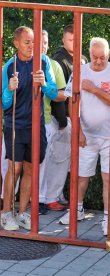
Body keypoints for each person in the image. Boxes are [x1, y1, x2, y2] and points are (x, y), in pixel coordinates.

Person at [58, 37, 110, 236]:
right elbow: (71, 103)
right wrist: (77, 131)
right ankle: (76, 210)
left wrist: (94, 89)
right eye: (94, 57)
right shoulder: (80, 71)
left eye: (102, 58)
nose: (97, 61)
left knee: (108, 177)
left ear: (109, 54)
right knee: (80, 176)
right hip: (86, 134)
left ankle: (107, 218)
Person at [1, 26, 58, 231]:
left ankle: (23, 212)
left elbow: (53, 92)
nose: (32, 46)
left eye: (34, 41)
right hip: (15, 124)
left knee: (30, 168)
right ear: (16, 43)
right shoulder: (9, 66)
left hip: (37, 124)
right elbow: (5, 104)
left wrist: (44, 83)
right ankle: (6, 212)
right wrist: (9, 89)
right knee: (14, 168)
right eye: (27, 42)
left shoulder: (43, 62)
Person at [51, 24, 88, 207]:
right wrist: (65, 119)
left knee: (73, 162)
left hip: (82, 117)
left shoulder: (83, 59)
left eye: (76, 39)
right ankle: (53, 196)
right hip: (65, 118)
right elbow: (60, 93)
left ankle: (65, 195)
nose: (73, 43)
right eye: (70, 39)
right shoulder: (59, 60)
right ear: (64, 40)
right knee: (60, 159)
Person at [38, 30, 68, 214]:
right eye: (39, 42)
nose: (43, 46)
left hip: (45, 120)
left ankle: (40, 200)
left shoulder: (53, 65)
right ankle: (6, 199)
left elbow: (63, 94)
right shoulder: (16, 63)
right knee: (10, 163)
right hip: (17, 120)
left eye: (45, 42)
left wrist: (47, 88)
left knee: (43, 162)